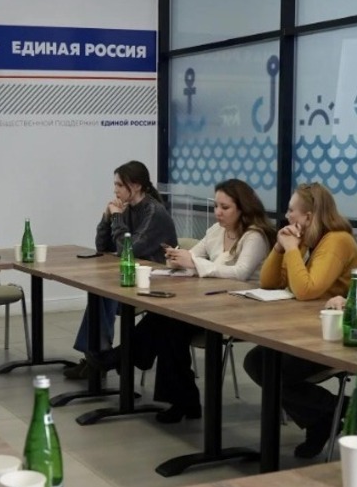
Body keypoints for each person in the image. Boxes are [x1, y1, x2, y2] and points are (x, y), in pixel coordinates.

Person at [87, 179, 276, 423]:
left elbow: (240, 273)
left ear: (243, 208)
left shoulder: (254, 236)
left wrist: (194, 262)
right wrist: (177, 257)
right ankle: (179, 397)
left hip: (242, 309)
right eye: (216, 206)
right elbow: (193, 254)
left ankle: (127, 359)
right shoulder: (217, 230)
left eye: (225, 207)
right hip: (212, 301)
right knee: (168, 322)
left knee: (170, 326)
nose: (218, 212)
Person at [243, 182, 357, 458]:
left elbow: (306, 290)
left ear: (309, 216)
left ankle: (335, 412)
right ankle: (327, 414)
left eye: (291, 210)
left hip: (342, 335)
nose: (287, 216)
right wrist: (279, 248)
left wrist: (290, 249)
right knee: (259, 362)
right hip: (311, 327)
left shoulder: (336, 241)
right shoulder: (306, 241)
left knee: (269, 367)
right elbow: (269, 282)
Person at [64, 160, 178, 379]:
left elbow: (128, 249)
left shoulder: (154, 212)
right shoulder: (127, 208)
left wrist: (117, 217)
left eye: (119, 185)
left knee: (105, 293)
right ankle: (95, 358)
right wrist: (107, 217)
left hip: (155, 281)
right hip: (131, 276)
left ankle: (98, 359)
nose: (115, 190)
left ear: (135, 186)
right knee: (100, 291)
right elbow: (103, 246)